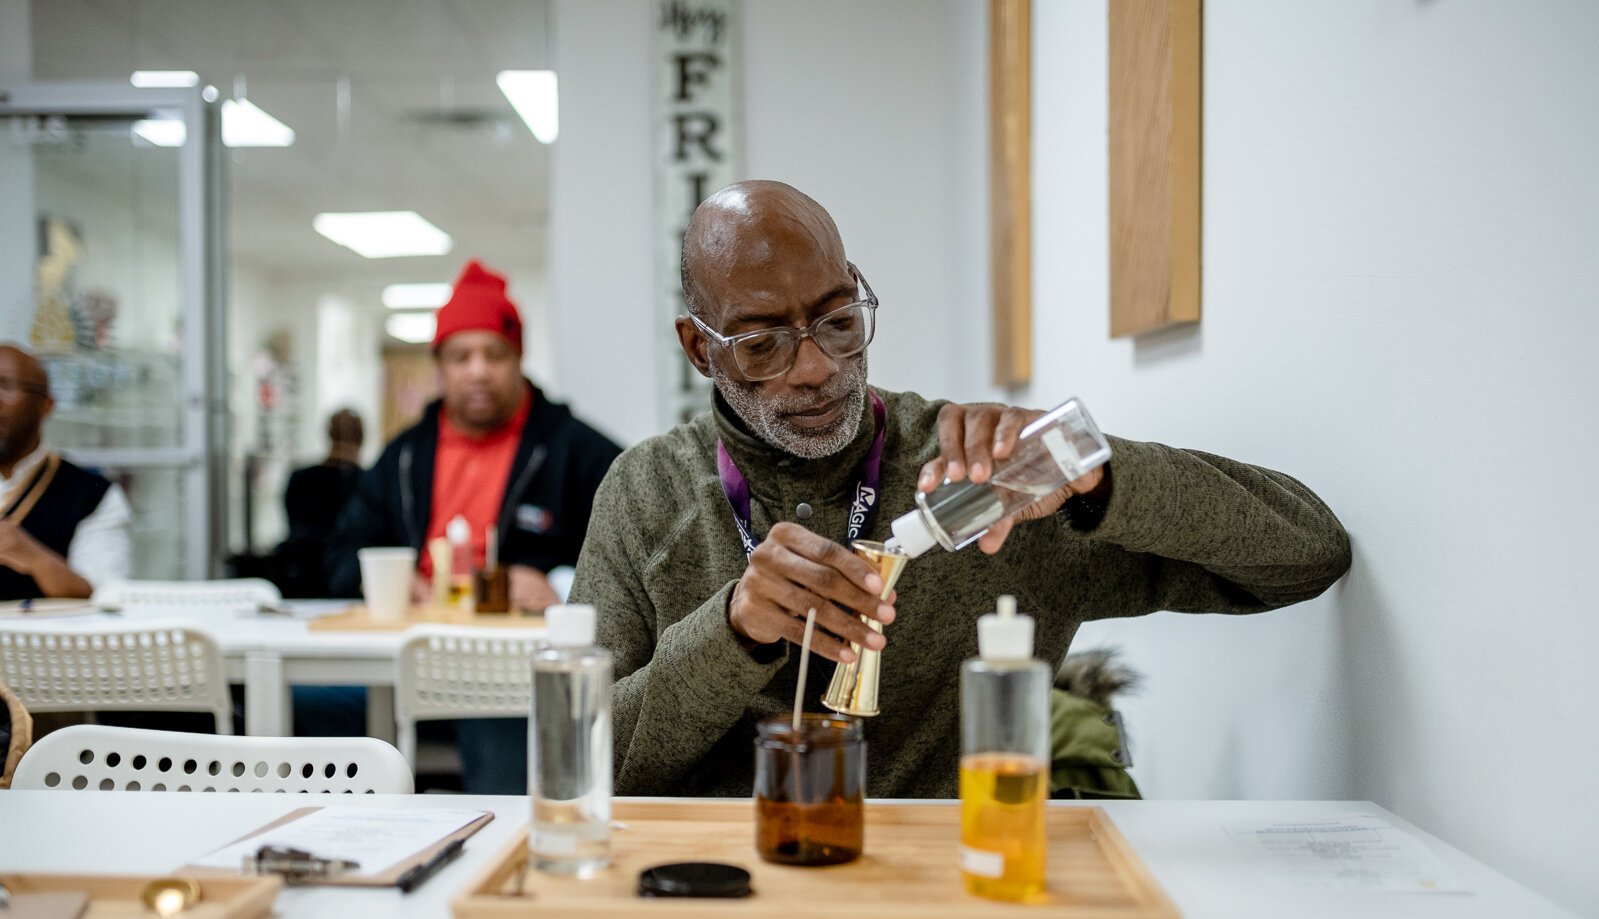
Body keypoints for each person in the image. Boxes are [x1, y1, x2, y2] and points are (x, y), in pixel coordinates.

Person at [570, 180, 1353, 799]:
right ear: (698, 349)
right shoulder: (647, 495)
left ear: (857, 290)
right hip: (720, 902)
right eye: (761, 343)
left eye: (837, 321)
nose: (812, 368)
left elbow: (1304, 555)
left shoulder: (986, 484)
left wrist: (1097, 474)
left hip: (966, 896)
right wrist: (734, 631)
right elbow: (581, 770)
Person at [326, 260, 622, 791]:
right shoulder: (403, 456)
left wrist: (558, 586)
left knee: (498, 732)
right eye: (461, 356)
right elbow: (341, 554)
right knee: (316, 714)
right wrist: (396, 582)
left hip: (516, 670)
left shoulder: (578, 451)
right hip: (403, 660)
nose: (478, 371)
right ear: (439, 366)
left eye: (495, 354)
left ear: (519, 359)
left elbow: (635, 563)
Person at [0, 343, 131, 600]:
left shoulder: (92, 495)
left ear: (46, 404)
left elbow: (107, 599)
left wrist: (33, 557)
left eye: (5, 386)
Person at [273, 408, 364, 598]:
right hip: (346, 587)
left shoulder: (300, 479)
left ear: (328, 434)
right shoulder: (366, 483)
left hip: (299, 582)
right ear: (362, 439)